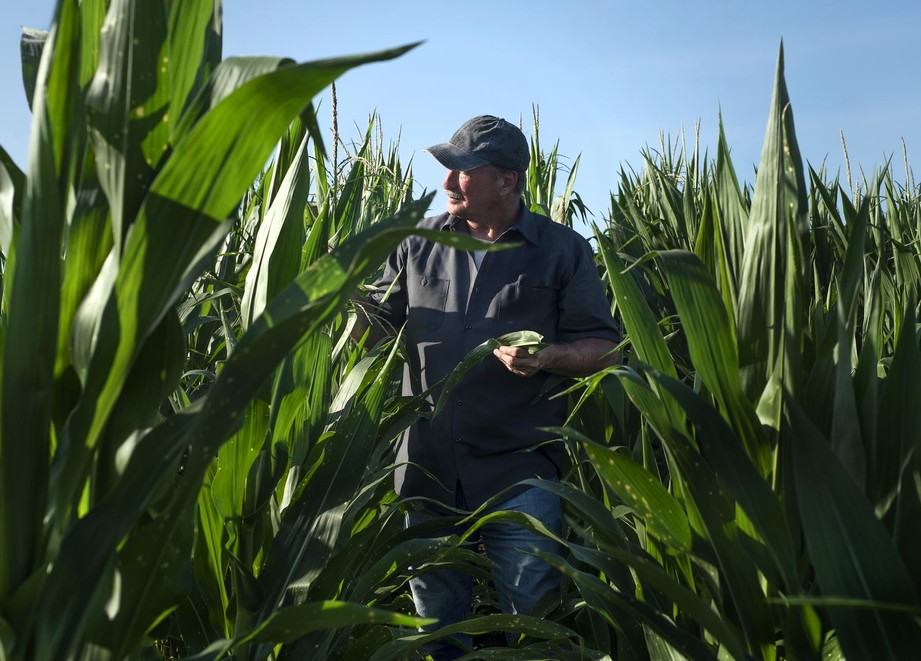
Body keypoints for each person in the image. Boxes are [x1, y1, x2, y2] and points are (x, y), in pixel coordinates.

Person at [353, 115, 620, 659]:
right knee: (437, 634)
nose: (448, 182)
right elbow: (374, 328)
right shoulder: (415, 244)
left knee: (532, 630)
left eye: (462, 171)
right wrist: (339, 307)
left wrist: (548, 357)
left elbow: (603, 347)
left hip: (518, 473)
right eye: (447, 171)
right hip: (425, 471)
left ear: (508, 181)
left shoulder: (563, 250)